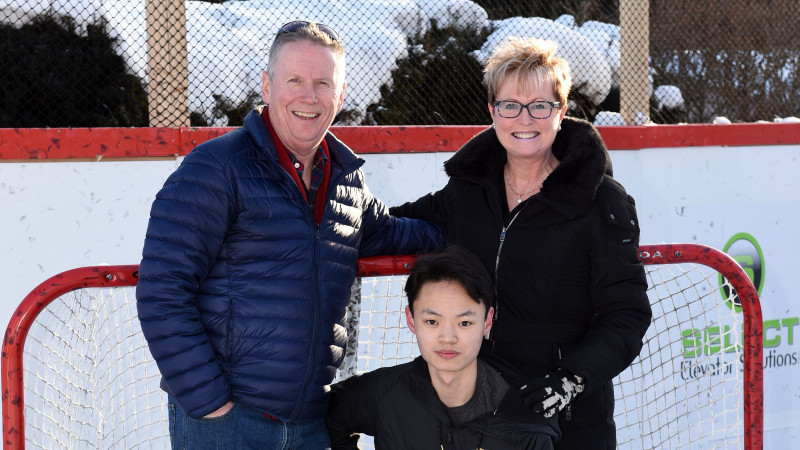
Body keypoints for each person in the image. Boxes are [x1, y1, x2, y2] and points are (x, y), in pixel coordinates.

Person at [135, 21, 443, 449]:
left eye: (322, 83)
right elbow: (162, 290)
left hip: (309, 424)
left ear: (340, 93)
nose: (308, 96)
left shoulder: (346, 181)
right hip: (226, 422)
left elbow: (392, 233)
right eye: (294, 80)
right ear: (266, 85)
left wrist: (477, 223)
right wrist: (210, 403)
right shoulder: (217, 167)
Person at [389, 37, 652, 449]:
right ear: (492, 111)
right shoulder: (467, 191)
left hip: (569, 417)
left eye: (540, 105)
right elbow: (394, 223)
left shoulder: (601, 201)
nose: (523, 118)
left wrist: (571, 380)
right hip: (483, 407)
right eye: (510, 105)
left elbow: (627, 315)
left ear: (561, 111)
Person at [326, 245, 560, 449]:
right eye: (432, 321)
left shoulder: (528, 425)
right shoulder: (382, 394)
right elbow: (328, 419)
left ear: (487, 321)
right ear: (411, 319)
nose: (447, 337)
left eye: (464, 323)